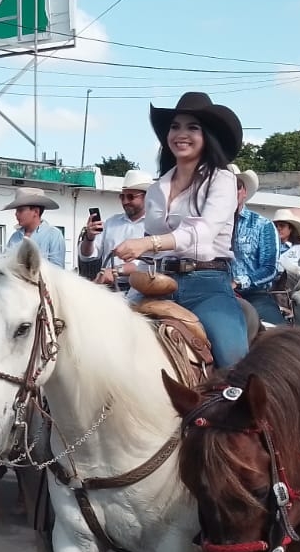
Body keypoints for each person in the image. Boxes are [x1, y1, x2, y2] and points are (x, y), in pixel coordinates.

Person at [108, 92, 251, 368]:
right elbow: (148, 250)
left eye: (192, 127)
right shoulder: (156, 188)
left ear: (207, 135)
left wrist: (147, 245)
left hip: (207, 286)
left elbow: (203, 234)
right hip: (155, 284)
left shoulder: (221, 180)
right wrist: (136, 267)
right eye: (175, 126)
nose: (180, 134)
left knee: (235, 365)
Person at [79, 171, 154, 291]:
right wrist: (89, 237)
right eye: (122, 197)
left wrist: (115, 271)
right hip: (109, 288)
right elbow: (87, 256)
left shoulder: (154, 225)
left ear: (147, 197)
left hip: (142, 289)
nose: (125, 201)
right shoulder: (111, 222)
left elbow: (151, 263)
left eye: (130, 197)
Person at [229, 167, 281, 325]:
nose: (230, 191)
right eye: (223, 186)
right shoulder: (208, 224)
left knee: (280, 337)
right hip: (216, 293)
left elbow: (269, 268)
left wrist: (238, 282)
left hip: (255, 295)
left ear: (244, 191)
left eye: (236, 186)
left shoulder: (262, 224)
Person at [4, 187, 67, 268]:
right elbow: (5, 265)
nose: (16, 214)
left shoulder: (54, 235)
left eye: (20, 210)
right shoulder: (15, 237)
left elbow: (57, 271)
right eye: (17, 211)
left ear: (36, 212)